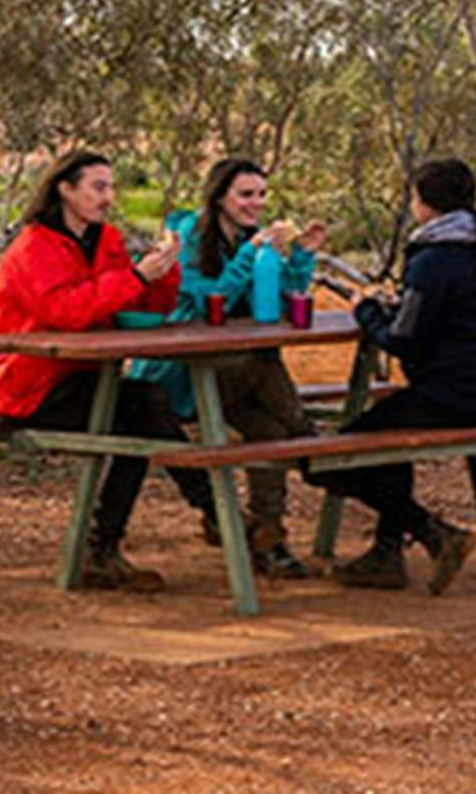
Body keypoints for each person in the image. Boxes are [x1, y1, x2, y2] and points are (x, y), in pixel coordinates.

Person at [0, 149, 212, 592]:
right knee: (141, 411)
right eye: (98, 187)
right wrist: (137, 277)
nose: (108, 197)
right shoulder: (34, 247)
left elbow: (144, 306)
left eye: (111, 187)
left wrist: (163, 273)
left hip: (87, 380)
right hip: (31, 389)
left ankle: (107, 547)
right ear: (64, 190)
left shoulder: (105, 240)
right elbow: (66, 311)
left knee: (144, 407)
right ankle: (209, 513)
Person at [308, 156, 476, 595]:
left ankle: (433, 534)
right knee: (386, 441)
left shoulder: (434, 259)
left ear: (423, 203)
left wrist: (366, 310)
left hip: (451, 397)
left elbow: (403, 341)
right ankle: (386, 556)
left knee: (324, 462)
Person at [129, 156, 327, 579]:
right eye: (245, 195)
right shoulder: (186, 239)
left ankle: (269, 539)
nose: (256, 204)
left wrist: (301, 258)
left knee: (268, 432)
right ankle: (310, 442)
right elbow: (208, 299)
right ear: (219, 197)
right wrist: (249, 255)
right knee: (264, 365)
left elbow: (279, 296)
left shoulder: (253, 239)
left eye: (260, 195)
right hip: (177, 375)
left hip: (226, 375)